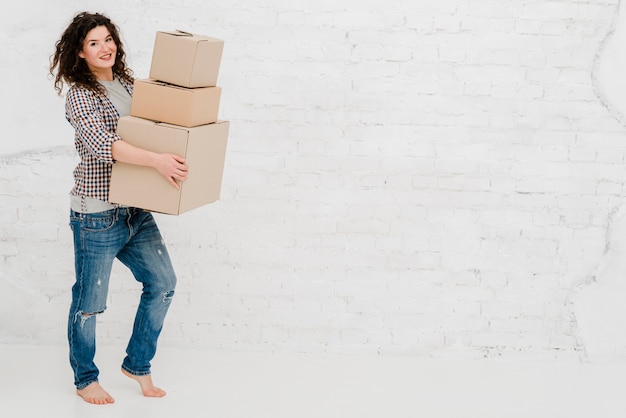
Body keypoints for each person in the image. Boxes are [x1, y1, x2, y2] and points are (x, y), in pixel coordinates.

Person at [49, 11, 188, 405]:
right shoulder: (80, 93)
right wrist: (158, 161)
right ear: (80, 51)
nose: (105, 47)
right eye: (94, 42)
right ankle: (85, 378)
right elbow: (103, 144)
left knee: (162, 284)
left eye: (108, 39)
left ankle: (137, 365)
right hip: (95, 213)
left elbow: (154, 128)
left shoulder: (128, 84)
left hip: (135, 211)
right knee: (89, 304)